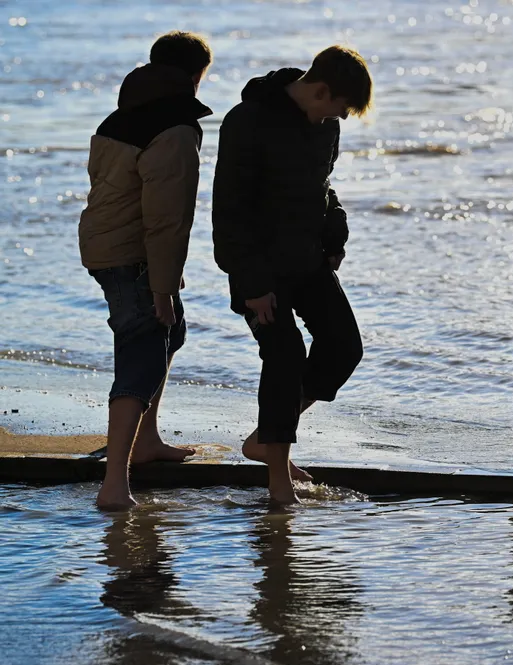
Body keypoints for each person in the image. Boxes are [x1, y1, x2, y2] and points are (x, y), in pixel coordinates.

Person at [212, 46, 372, 505]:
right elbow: (230, 211)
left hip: (308, 261)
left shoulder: (327, 126)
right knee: (283, 358)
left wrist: (335, 237)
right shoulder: (247, 121)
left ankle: (266, 437)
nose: (335, 118)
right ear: (319, 89)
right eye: (336, 108)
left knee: (344, 347)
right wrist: (253, 285)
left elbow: (324, 188)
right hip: (259, 270)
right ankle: (279, 481)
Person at [79, 31, 213, 510]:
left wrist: (164, 288)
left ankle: (147, 440)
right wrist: (160, 286)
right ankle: (115, 483)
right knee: (144, 350)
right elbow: (166, 218)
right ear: (197, 75)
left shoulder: (123, 113)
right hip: (131, 253)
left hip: (105, 243)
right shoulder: (174, 127)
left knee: (170, 333)